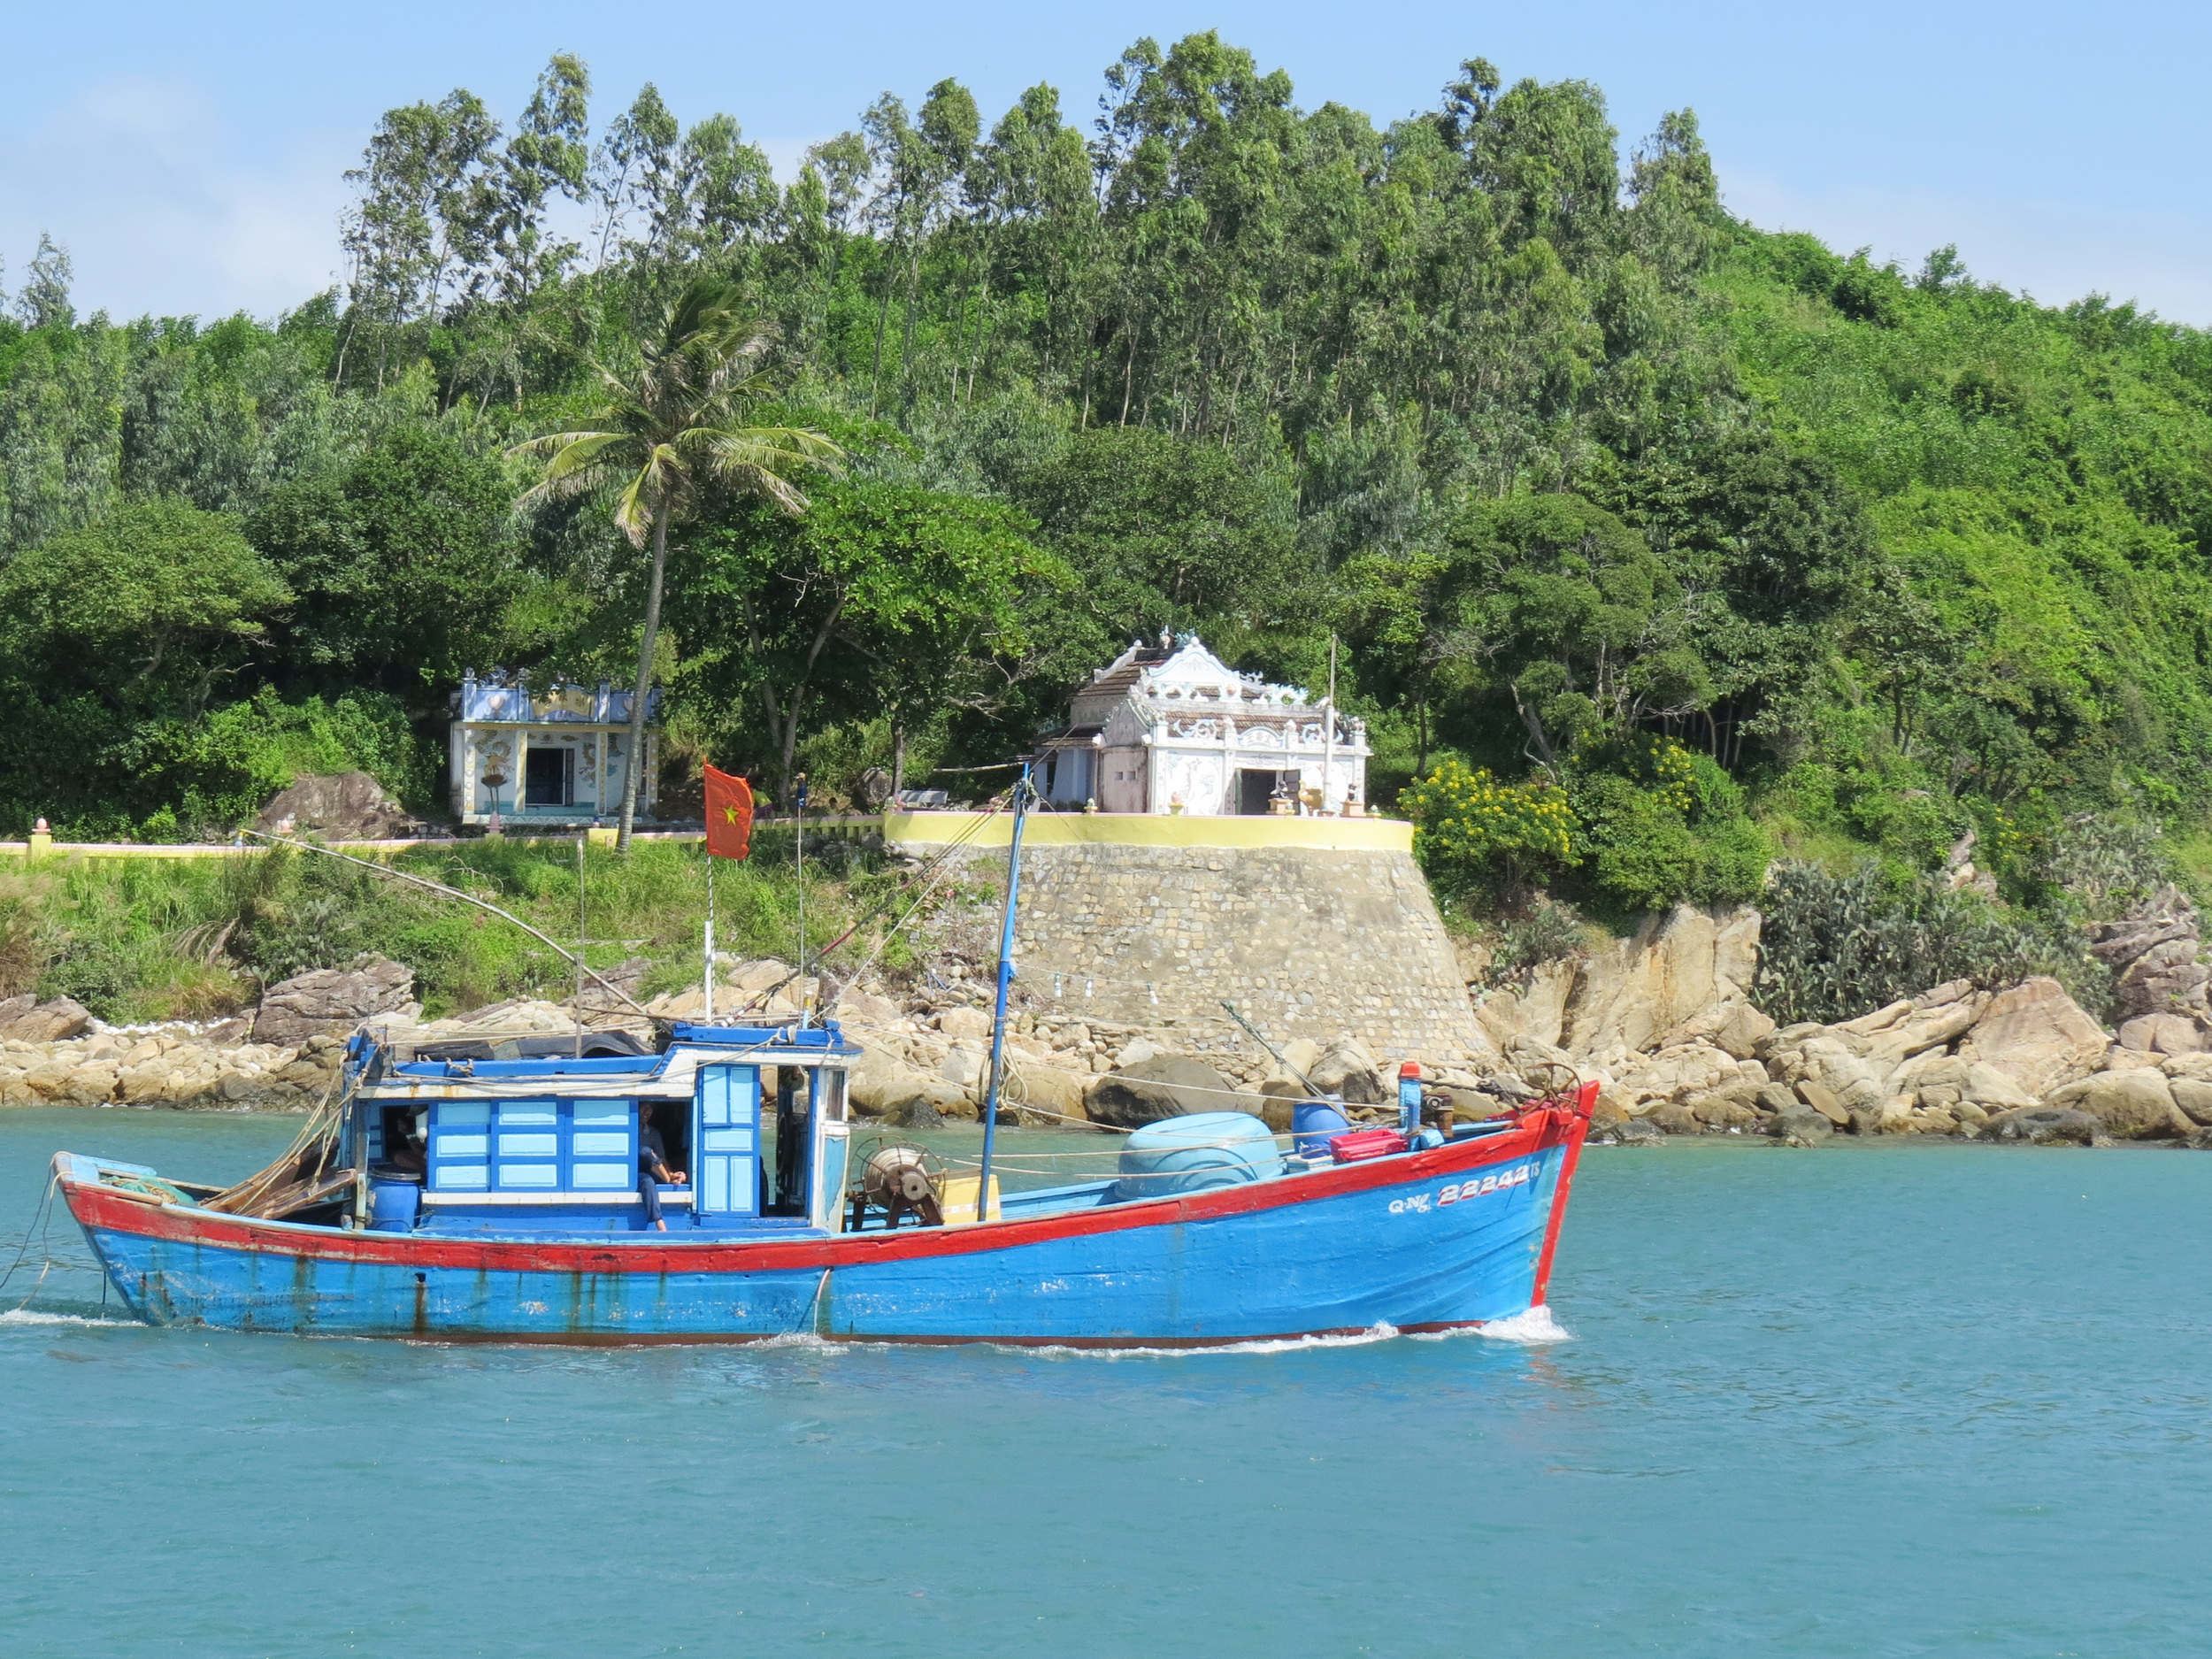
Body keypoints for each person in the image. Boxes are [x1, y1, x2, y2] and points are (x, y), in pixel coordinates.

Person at [637, 1102, 687, 1231]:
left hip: (654, 1171)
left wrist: (671, 1173)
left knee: (652, 1178)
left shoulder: (653, 1133)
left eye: (650, 1109)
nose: (646, 1113)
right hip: (633, 1174)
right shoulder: (629, 1131)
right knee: (645, 1155)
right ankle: (658, 1221)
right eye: (643, 1108)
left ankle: (670, 1178)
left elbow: (662, 1159)